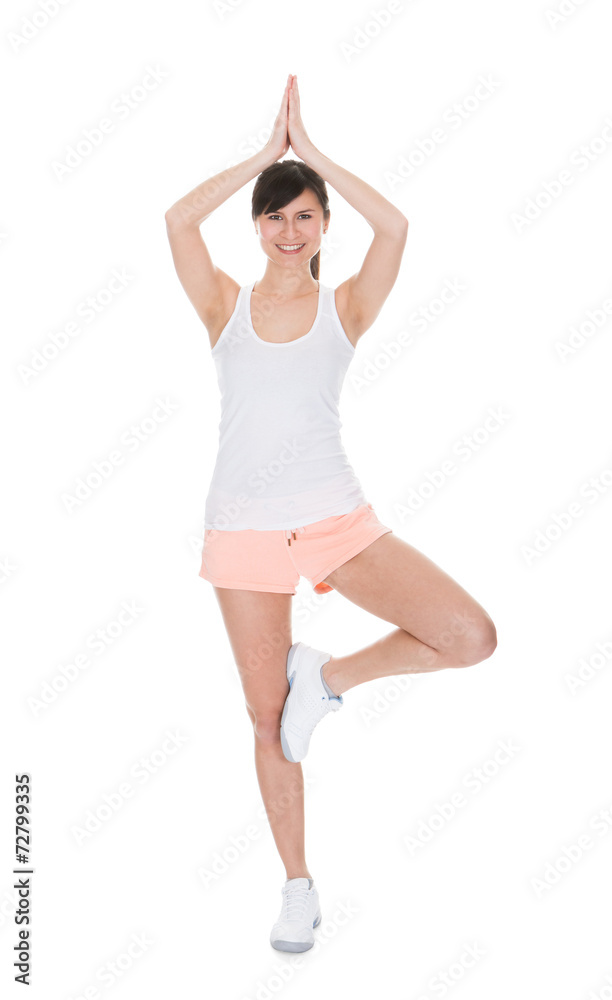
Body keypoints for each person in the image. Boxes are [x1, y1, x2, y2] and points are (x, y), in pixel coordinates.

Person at [165, 74, 497, 953]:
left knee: (469, 636)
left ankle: (331, 680)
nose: (288, 229)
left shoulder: (344, 307)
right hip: (241, 532)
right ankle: (297, 887)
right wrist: (261, 156)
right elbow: (176, 222)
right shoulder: (224, 306)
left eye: (304, 215)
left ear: (322, 226)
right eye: (275, 216)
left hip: (336, 519)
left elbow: (398, 228)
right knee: (266, 721)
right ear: (257, 225)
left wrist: (312, 152)